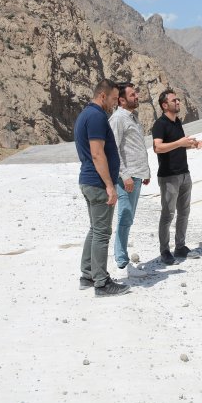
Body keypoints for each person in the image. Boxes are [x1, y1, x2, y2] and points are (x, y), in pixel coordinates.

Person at [73, 79, 130, 297]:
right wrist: (109, 185)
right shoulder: (96, 116)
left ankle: (87, 274)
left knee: (94, 229)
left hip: (88, 180)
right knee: (102, 233)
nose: (115, 104)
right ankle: (101, 283)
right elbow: (97, 153)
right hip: (97, 183)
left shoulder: (86, 114)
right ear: (102, 96)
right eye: (114, 99)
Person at [152, 88, 201, 265]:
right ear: (165, 105)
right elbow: (158, 147)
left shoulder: (177, 122)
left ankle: (180, 247)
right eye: (174, 100)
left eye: (178, 100)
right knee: (168, 214)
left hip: (184, 174)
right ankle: (164, 250)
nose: (178, 102)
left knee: (184, 212)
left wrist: (191, 144)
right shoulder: (160, 124)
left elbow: (177, 146)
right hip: (169, 177)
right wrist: (180, 142)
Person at [109, 82, 151, 276]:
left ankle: (122, 258)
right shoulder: (118, 118)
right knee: (125, 216)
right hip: (126, 178)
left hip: (136, 175)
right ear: (122, 100)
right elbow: (113, 150)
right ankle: (122, 262)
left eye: (136, 93)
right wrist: (125, 176)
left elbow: (137, 147)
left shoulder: (132, 117)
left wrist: (145, 172)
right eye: (133, 94)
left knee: (128, 217)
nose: (137, 96)